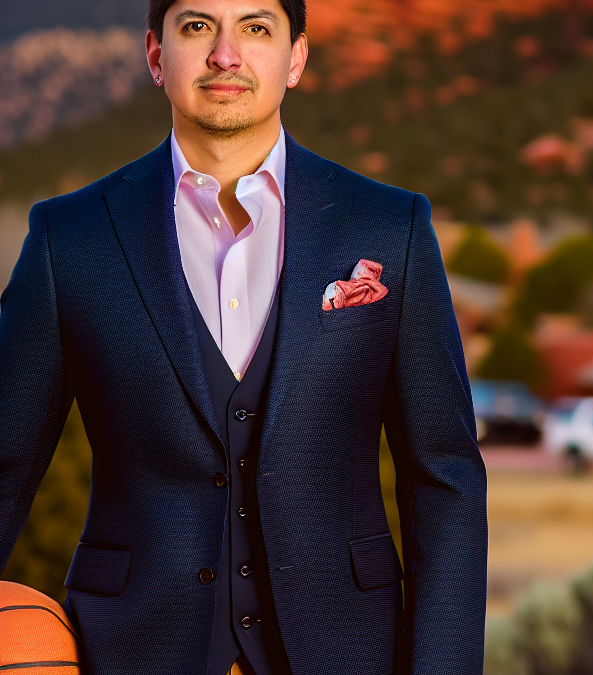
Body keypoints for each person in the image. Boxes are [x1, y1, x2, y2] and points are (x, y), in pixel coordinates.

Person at [0, 0, 487, 672]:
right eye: (197, 27)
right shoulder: (71, 239)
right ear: (154, 55)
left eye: (256, 28)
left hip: (346, 648)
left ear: (296, 58)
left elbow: (444, 477)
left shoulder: (388, 227)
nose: (225, 54)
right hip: (130, 647)